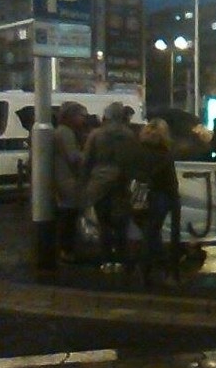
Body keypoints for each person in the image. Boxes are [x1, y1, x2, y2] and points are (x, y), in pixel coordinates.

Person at [82, 102, 139, 273]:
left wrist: (85, 181)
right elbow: (133, 159)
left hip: (99, 183)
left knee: (104, 223)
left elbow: (87, 160)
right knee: (121, 223)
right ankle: (121, 260)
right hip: (121, 182)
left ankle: (106, 260)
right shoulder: (129, 135)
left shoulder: (96, 135)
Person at [134, 118, 180, 286]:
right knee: (152, 233)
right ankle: (158, 268)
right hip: (160, 196)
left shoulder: (138, 151)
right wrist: (175, 201)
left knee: (150, 233)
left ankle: (148, 269)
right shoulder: (164, 154)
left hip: (139, 197)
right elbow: (170, 181)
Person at [53, 101, 88, 263]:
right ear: (72, 116)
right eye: (81, 116)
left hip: (63, 179)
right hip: (67, 180)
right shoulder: (66, 132)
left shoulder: (61, 131)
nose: (84, 120)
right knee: (69, 216)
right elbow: (73, 157)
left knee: (67, 216)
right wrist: (86, 156)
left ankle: (64, 249)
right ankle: (66, 251)